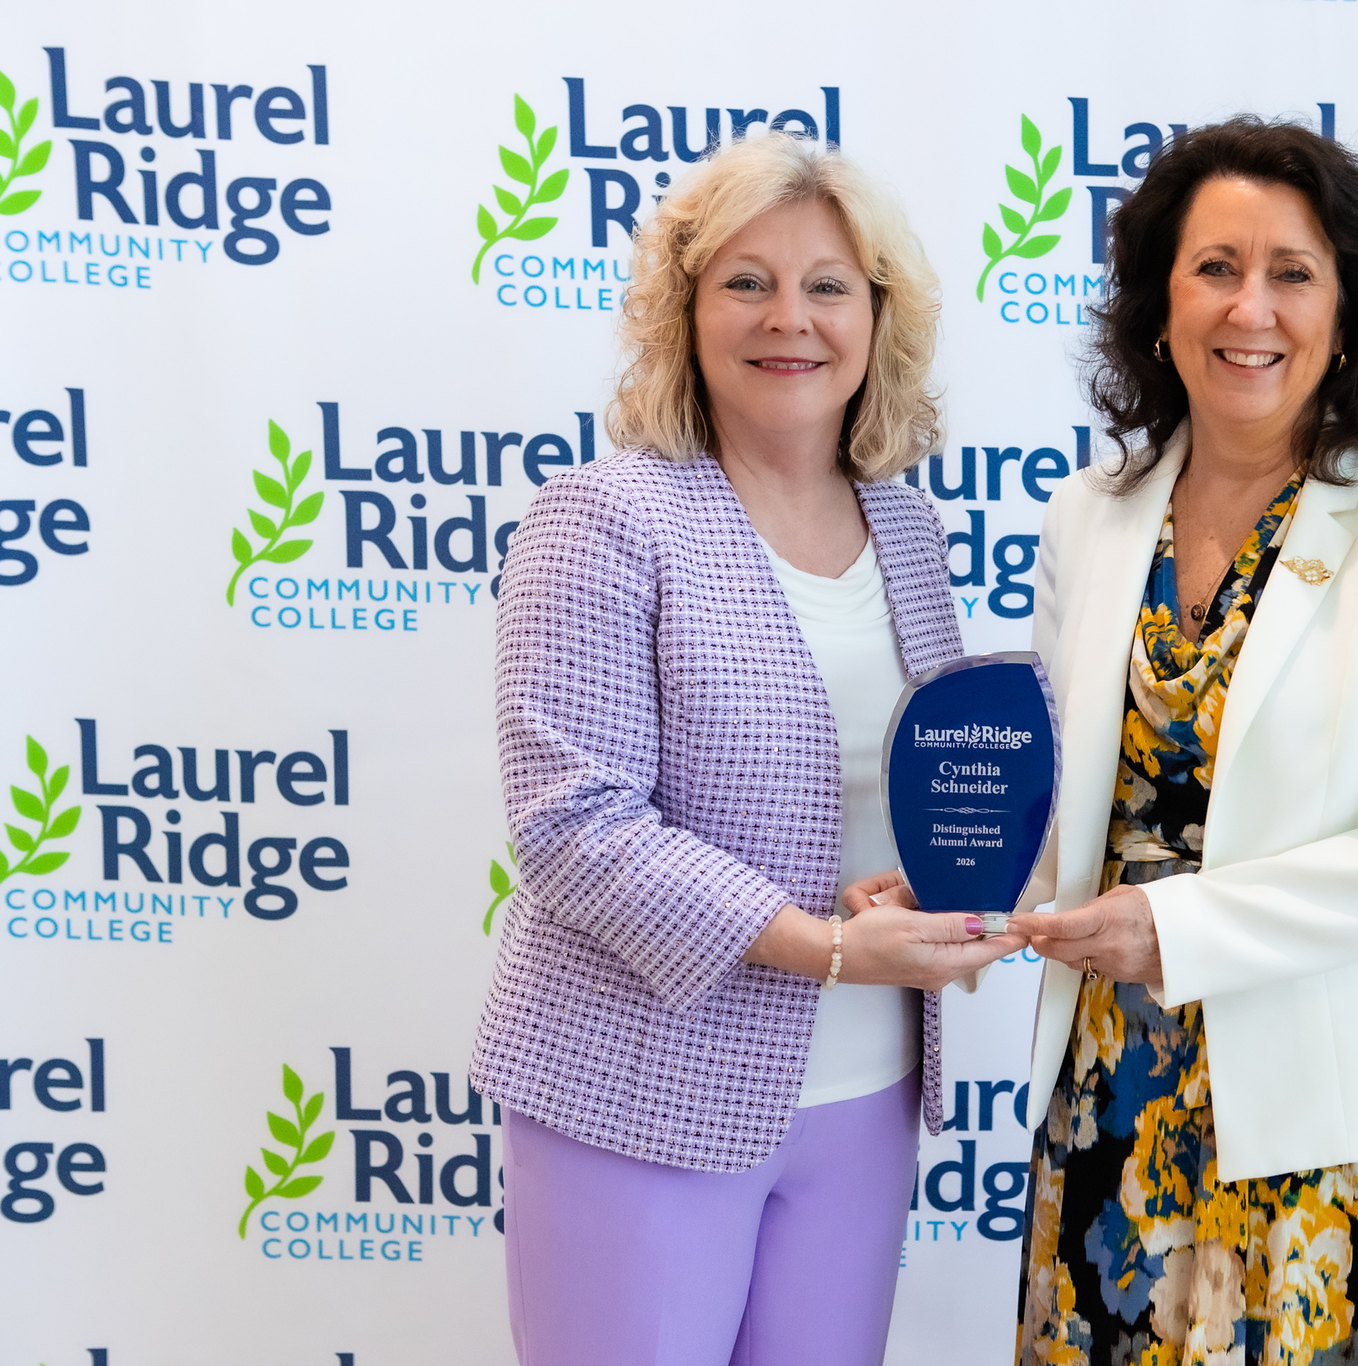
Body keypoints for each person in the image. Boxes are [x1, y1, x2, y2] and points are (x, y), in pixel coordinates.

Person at [470, 132, 1022, 1366]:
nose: (791, 318)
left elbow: (922, 786)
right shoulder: (606, 516)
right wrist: (824, 946)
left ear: (878, 317)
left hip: (863, 1096)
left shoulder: (908, 528)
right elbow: (573, 825)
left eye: (828, 284)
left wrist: (940, 894)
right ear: (684, 312)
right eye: (745, 281)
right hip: (639, 1087)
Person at [1007, 118, 1358, 1365]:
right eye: (1215, 267)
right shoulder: (1087, 514)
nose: (1252, 307)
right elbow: (1073, 802)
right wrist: (954, 884)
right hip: (1113, 1105)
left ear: (1346, 315)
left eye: (1292, 272)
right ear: (1156, 304)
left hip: (1345, 1133)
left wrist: (1173, 930)